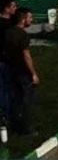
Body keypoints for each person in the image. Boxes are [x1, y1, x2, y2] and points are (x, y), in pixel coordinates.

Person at [3, 8, 38, 136]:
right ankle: (27, 128)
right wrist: (33, 73)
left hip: (11, 69)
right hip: (23, 72)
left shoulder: (8, 32)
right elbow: (26, 56)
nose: (31, 20)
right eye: (29, 17)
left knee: (15, 99)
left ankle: (14, 124)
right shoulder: (22, 35)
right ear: (23, 20)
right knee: (27, 100)